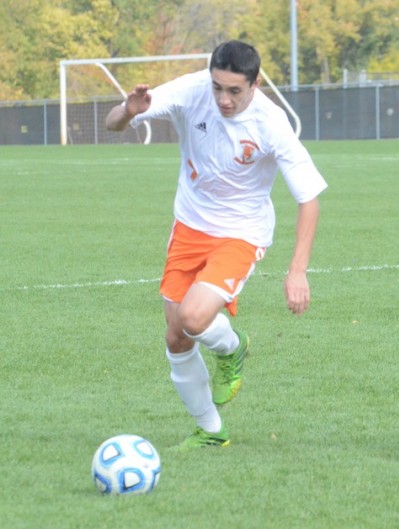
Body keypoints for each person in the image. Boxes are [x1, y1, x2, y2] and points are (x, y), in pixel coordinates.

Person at [106, 40, 327, 449]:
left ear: (255, 84)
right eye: (217, 88)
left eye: (234, 91)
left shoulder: (272, 123)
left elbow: (308, 198)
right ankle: (210, 430)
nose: (223, 99)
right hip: (189, 225)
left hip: (241, 233)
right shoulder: (192, 90)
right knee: (176, 336)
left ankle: (232, 348)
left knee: (192, 318)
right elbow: (113, 123)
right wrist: (128, 111)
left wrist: (297, 270)